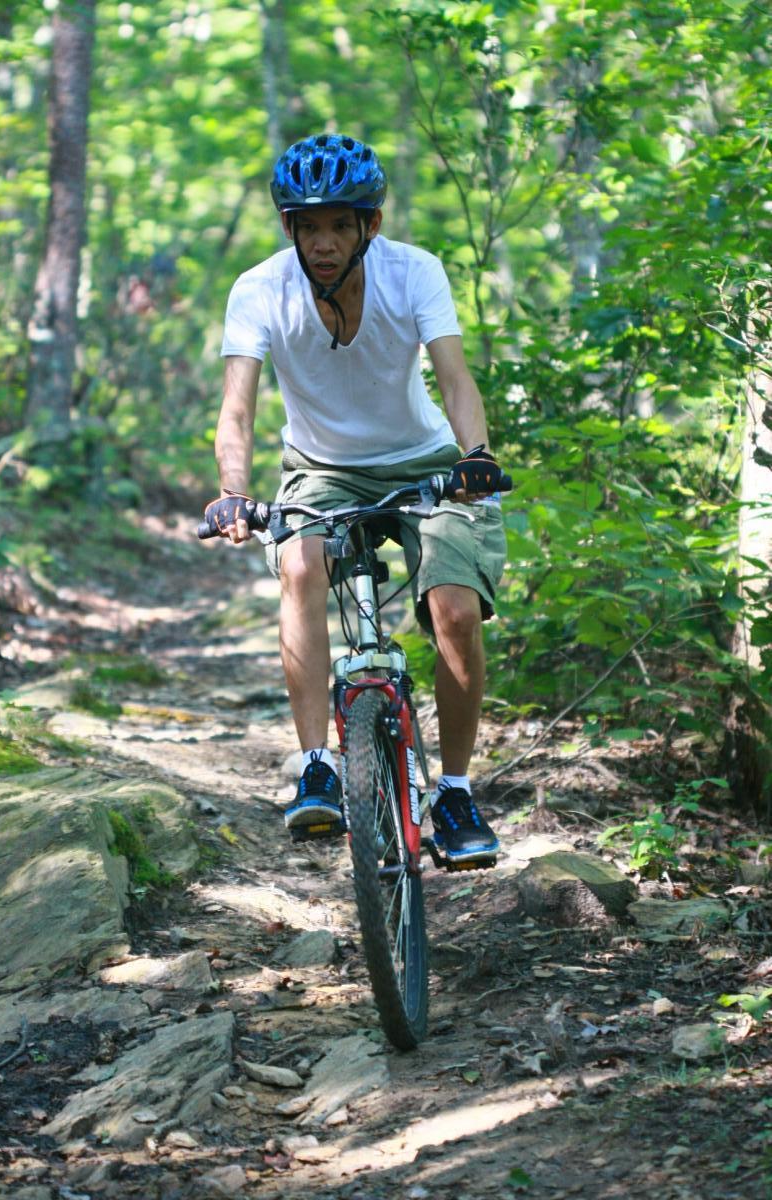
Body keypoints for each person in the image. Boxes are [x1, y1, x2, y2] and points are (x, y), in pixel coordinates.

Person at [205, 133, 506, 866]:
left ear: (370, 224)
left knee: (455, 611)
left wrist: (476, 456)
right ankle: (319, 765)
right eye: (309, 226)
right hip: (321, 465)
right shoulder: (258, 290)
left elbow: (456, 379)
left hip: (428, 460)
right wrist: (232, 495)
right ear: (290, 229)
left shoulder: (415, 274)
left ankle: (457, 792)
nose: (324, 242)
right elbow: (237, 408)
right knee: (301, 568)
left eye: (341, 224)